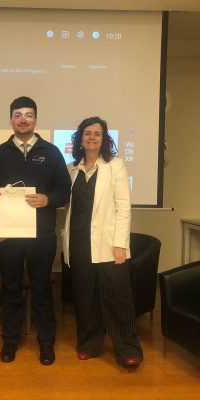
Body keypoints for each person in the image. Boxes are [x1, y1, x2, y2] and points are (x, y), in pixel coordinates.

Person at [0, 96, 70, 365]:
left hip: (42, 235)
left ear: (36, 119)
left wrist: (48, 199)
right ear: (11, 120)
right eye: (18, 115)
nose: (23, 120)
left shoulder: (52, 152)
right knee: (10, 289)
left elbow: (64, 190)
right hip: (8, 235)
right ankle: (10, 340)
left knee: (41, 289)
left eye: (28, 115)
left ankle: (46, 343)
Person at [62, 116, 143, 367]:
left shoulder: (115, 166)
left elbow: (124, 207)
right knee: (85, 296)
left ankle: (127, 348)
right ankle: (89, 343)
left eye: (97, 133)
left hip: (109, 243)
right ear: (80, 139)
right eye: (87, 133)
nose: (92, 137)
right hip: (78, 241)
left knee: (117, 296)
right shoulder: (72, 168)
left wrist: (120, 244)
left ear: (104, 139)